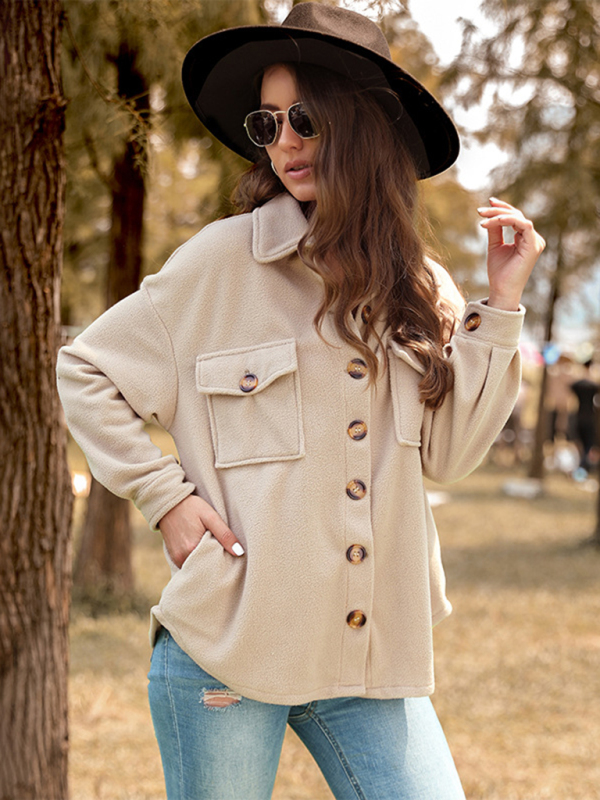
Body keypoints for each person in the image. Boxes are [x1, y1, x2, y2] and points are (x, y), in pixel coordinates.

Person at [56, 4, 546, 798]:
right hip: (228, 651)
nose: (284, 142)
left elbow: (452, 455)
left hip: (368, 658)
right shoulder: (220, 263)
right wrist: (165, 497)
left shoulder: (422, 289)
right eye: (268, 123)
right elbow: (85, 370)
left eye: (306, 119)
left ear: (363, 127)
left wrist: (503, 303)